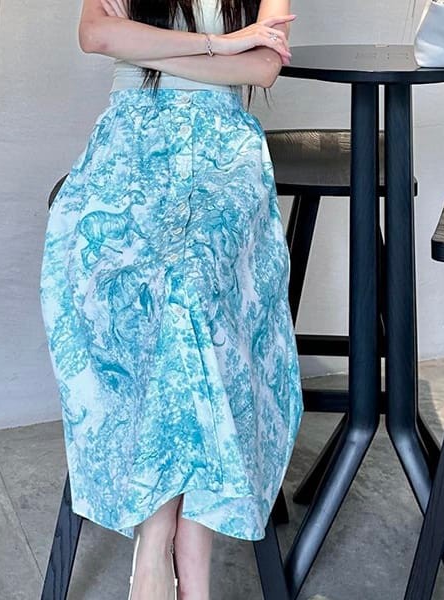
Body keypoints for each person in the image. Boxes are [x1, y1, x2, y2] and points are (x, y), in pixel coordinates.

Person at [39, 0, 304, 598]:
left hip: (222, 152)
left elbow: (263, 69)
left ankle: (159, 545)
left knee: (190, 289)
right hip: (131, 141)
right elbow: (96, 35)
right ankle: (187, 564)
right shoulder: (217, 44)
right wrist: (223, 45)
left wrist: (150, 49)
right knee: (129, 283)